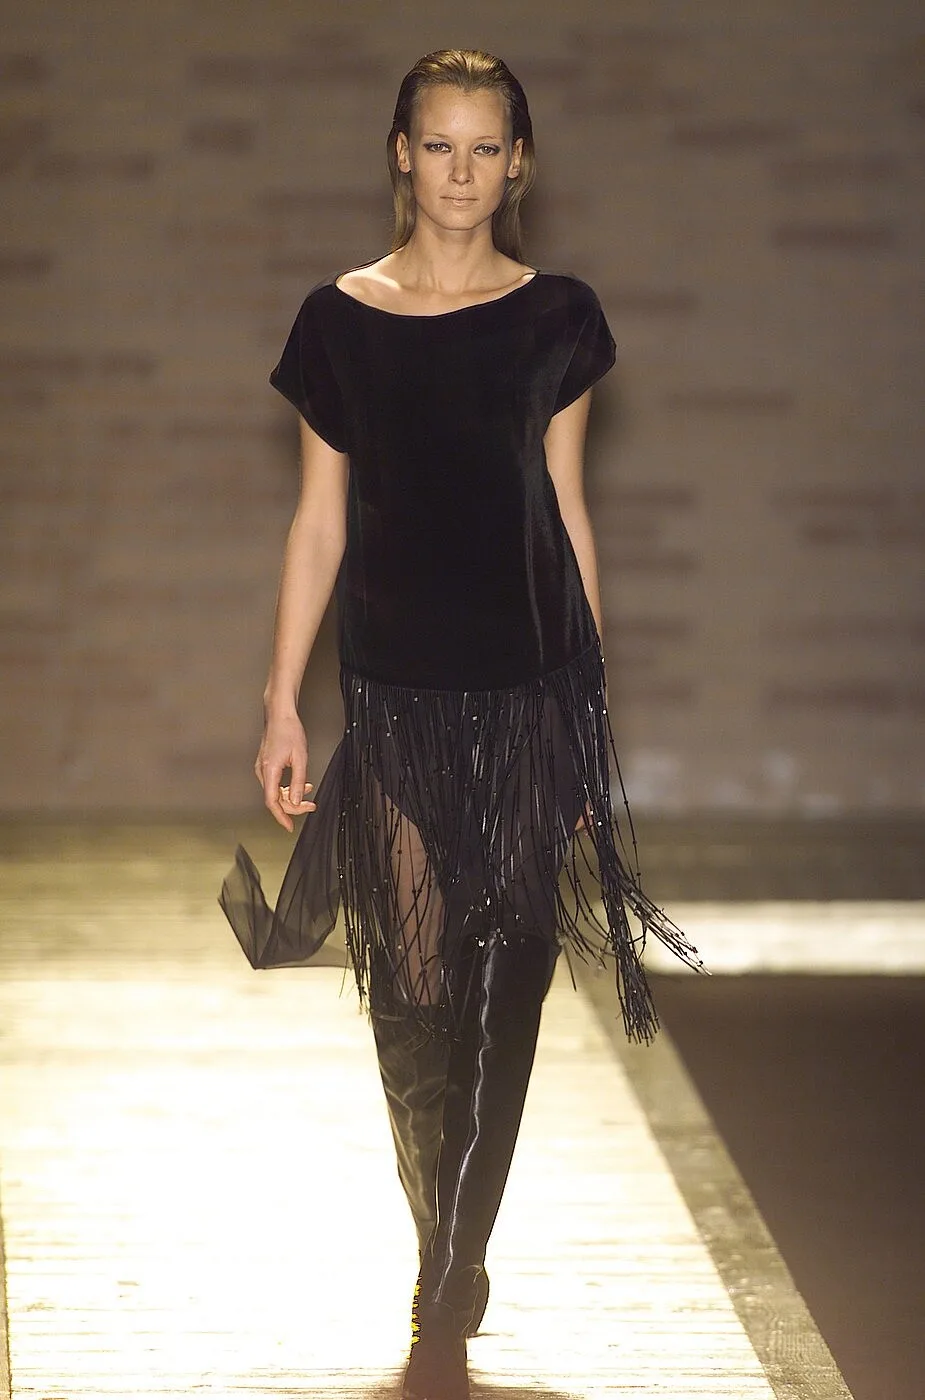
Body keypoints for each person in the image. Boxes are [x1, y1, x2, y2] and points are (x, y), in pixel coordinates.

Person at [220, 48, 702, 1400]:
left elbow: (569, 511)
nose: (461, 172)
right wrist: (282, 698)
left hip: (532, 692)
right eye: (439, 145)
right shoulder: (340, 322)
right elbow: (319, 522)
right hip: (398, 701)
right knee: (417, 990)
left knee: (514, 969)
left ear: (519, 163)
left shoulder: (557, 319)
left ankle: (458, 1254)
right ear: (400, 152)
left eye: (487, 148)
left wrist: (590, 710)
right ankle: (439, 1222)